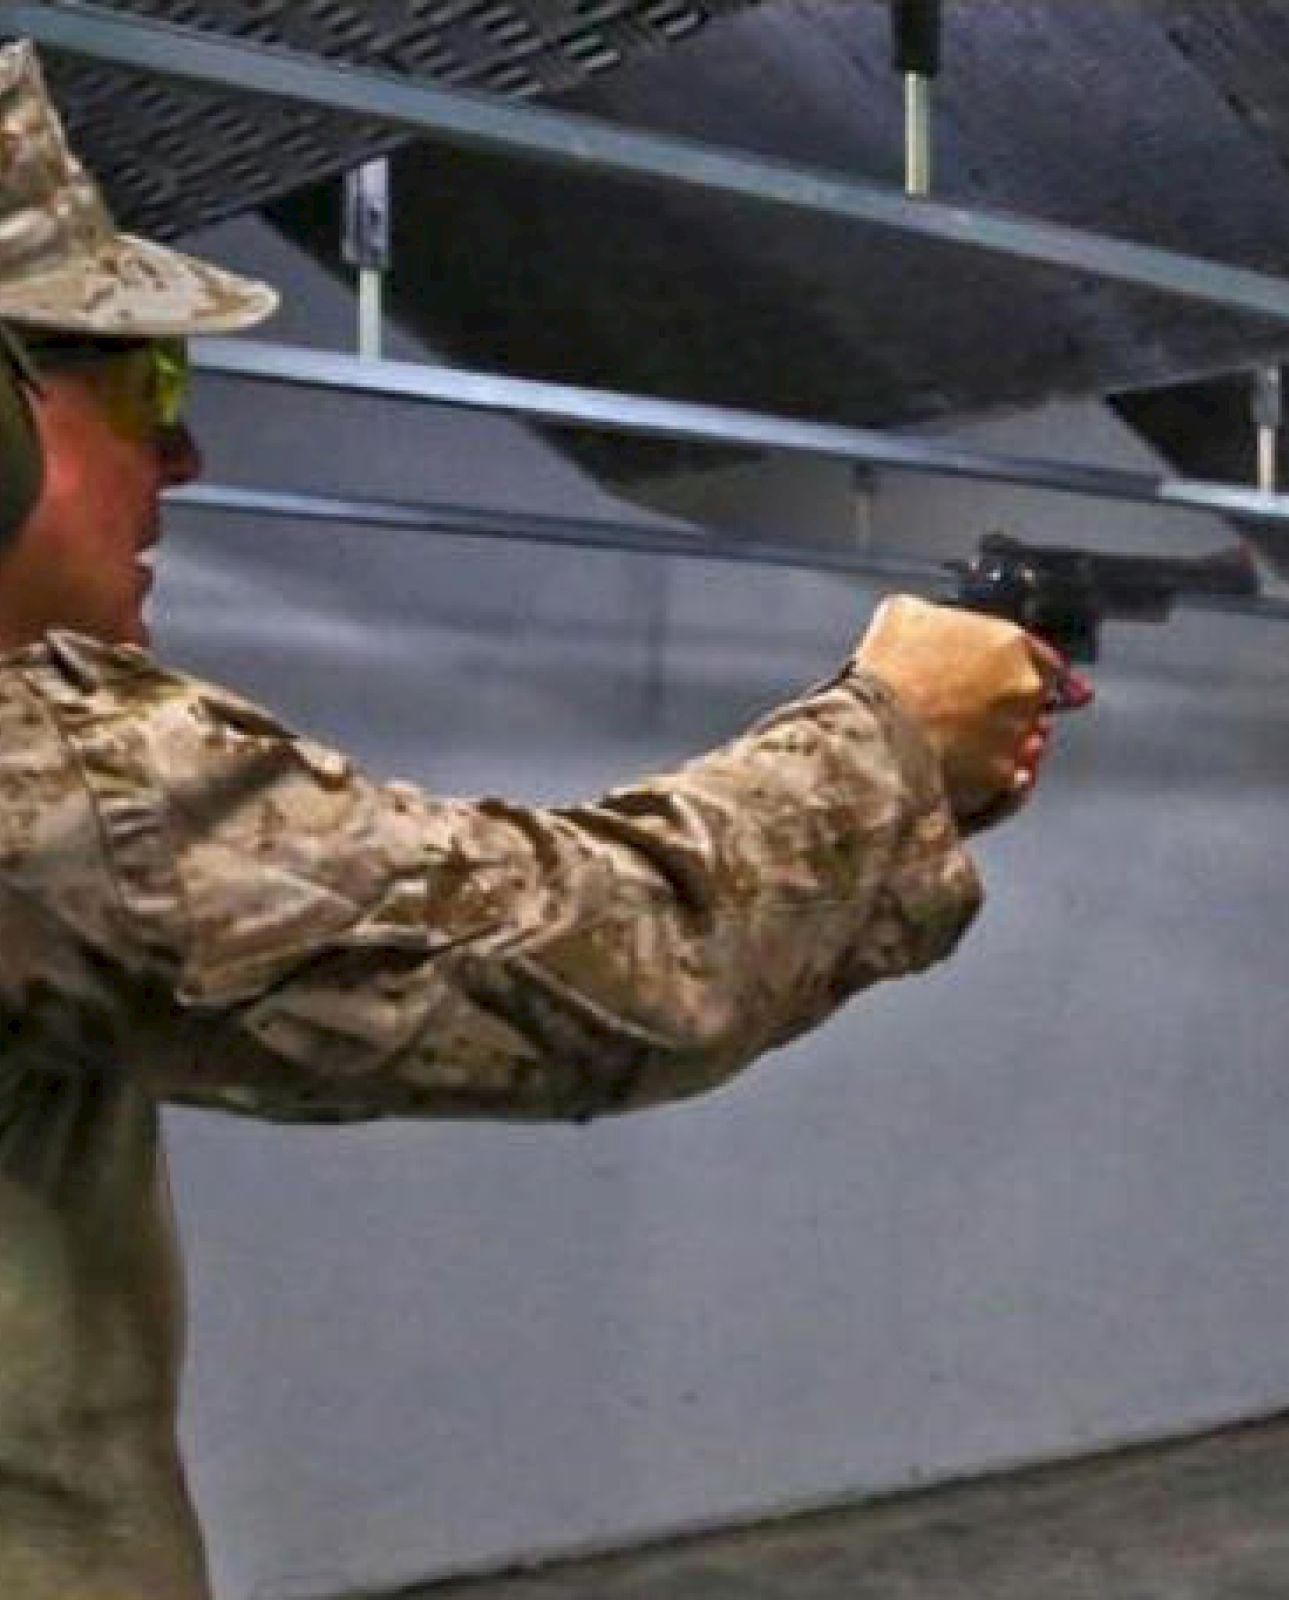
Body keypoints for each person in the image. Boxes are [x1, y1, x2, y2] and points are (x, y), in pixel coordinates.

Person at [0, 39, 1090, 1600]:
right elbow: (604, 965)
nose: (183, 449)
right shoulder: (43, 790)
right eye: (143, 381)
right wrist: (892, 742)